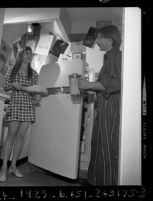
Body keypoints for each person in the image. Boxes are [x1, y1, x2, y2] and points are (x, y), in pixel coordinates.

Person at [78, 25, 122, 186]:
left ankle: (107, 183)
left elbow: (115, 82)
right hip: (104, 104)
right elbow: (106, 82)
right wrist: (89, 85)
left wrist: (87, 84)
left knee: (107, 145)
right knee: (97, 142)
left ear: (110, 39)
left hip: (110, 105)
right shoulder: (109, 57)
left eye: (99, 37)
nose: (96, 41)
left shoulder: (116, 55)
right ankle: (95, 180)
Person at [0, 46, 41, 182]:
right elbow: (5, 86)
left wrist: (37, 97)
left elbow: (36, 91)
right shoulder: (13, 70)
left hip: (28, 106)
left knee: (21, 137)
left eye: (31, 54)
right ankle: (4, 168)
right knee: (11, 136)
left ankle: (14, 166)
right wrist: (13, 85)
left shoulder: (34, 73)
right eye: (26, 53)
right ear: (21, 55)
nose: (29, 56)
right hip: (16, 104)